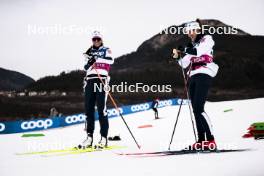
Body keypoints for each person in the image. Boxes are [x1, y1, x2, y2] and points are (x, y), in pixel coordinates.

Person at [173, 20, 219, 150]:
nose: (190, 34)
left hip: (204, 73)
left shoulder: (207, 39)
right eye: (188, 32)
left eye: (191, 31)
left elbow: (198, 51)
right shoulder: (192, 45)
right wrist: (178, 57)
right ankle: (200, 140)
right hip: (193, 75)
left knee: (199, 107)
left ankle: (211, 139)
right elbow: (184, 64)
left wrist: (186, 49)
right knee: (195, 109)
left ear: (197, 30)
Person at [78, 31, 114, 149]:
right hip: (90, 80)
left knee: (101, 110)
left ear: (101, 40)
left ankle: (104, 138)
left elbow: (110, 60)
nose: (96, 41)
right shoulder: (88, 52)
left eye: (98, 39)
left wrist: (96, 60)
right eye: (94, 39)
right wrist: (90, 61)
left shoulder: (106, 49)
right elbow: (85, 67)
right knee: (88, 110)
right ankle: (89, 138)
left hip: (101, 80)